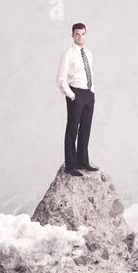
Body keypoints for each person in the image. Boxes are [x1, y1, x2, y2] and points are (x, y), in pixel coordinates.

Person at [56, 23, 99, 176]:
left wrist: (92, 90)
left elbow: (90, 72)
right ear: (72, 36)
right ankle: (71, 165)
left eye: (83, 34)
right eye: (77, 34)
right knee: (72, 129)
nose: (80, 37)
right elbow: (61, 79)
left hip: (88, 94)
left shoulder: (88, 53)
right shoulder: (68, 53)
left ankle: (83, 161)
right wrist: (72, 95)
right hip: (75, 94)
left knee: (85, 129)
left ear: (86, 34)